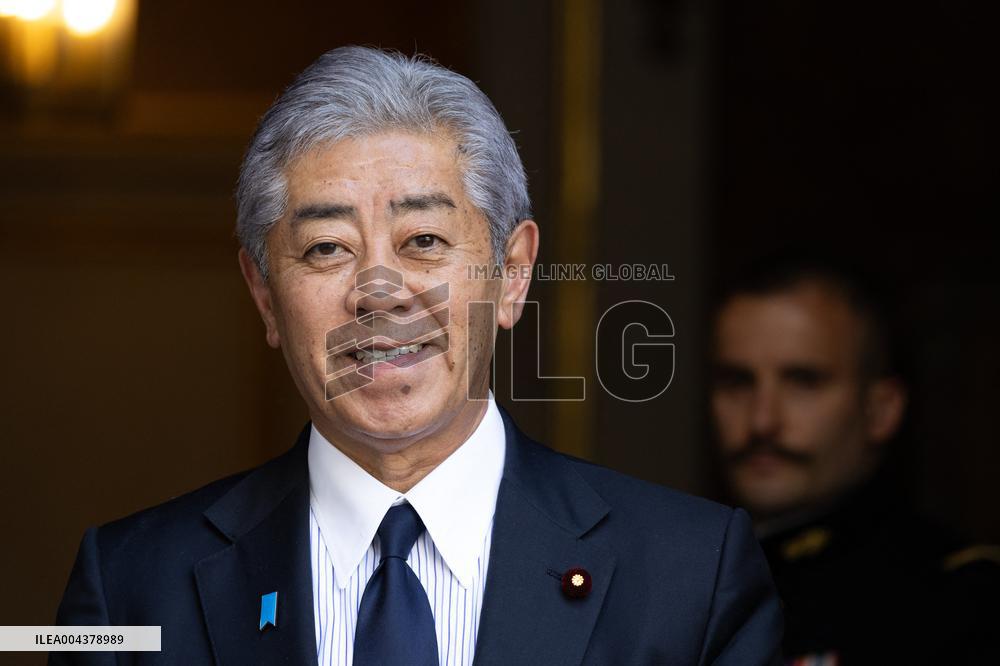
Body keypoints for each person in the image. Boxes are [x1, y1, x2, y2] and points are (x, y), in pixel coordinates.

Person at [52, 46, 782, 665]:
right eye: (326, 248)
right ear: (266, 296)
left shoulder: (693, 574)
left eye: (424, 241)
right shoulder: (130, 587)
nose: (379, 291)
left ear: (512, 274)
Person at [709, 255, 1000, 665]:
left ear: (880, 409)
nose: (762, 421)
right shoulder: (678, 574)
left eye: (803, 381)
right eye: (737, 382)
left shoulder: (958, 598)